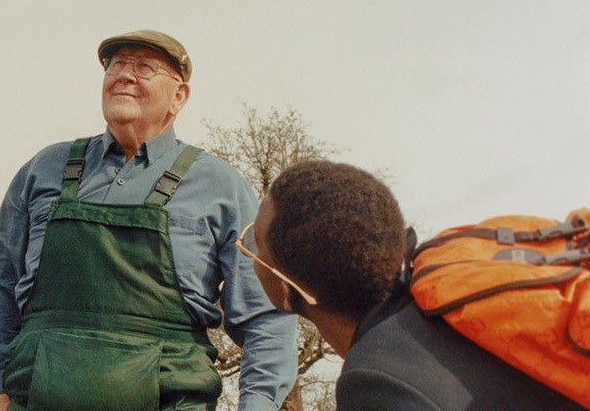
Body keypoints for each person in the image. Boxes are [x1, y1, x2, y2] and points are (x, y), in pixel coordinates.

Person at [0, 30, 298, 411]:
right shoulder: (44, 169)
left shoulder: (220, 186)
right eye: (116, 65)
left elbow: (267, 316)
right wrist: (0, 385)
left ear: (179, 96)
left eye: (144, 67)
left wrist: (258, 404)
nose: (124, 76)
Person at [242, 159, 584, 410]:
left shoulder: (376, 384)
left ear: (289, 286)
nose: (249, 253)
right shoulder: (450, 292)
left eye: (255, 244)